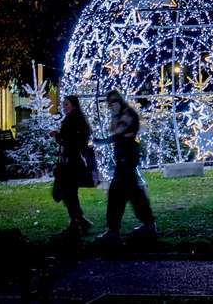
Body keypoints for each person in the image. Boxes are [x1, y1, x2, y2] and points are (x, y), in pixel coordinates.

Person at [95, 90, 157, 244]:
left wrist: (102, 141)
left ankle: (115, 230)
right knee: (130, 193)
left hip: (127, 159)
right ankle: (145, 225)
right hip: (124, 159)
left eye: (113, 102)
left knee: (122, 193)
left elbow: (117, 131)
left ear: (119, 100)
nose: (111, 105)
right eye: (110, 103)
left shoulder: (128, 114)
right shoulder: (122, 114)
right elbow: (115, 131)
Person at [50, 95, 94, 236]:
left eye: (67, 104)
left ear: (73, 105)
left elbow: (68, 140)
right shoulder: (79, 119)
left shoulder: (71, 120)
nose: (64, 106)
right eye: (64, 104)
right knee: (69, 193)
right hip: (74, 161)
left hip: (70, 162)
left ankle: (78, 222)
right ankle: (78, 222)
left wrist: (57, 136)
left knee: (67, 192)